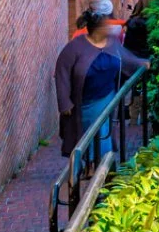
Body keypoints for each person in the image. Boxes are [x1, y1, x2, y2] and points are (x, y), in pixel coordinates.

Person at [55, 9, 146, 159]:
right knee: (87, 138)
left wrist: (142, 63)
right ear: (95, 30)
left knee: (104, 137)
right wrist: (64, 102)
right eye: (104, 27)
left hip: (107, 99)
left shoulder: (112, 43)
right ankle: (89, 165)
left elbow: (126, 58)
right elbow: (62, 72)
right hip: (85, 104)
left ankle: (99, 164)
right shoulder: (75, 48)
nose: (108, 29)